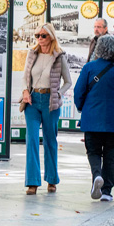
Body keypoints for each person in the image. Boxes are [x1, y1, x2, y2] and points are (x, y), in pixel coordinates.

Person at [74, 35, 114, 202]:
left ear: (99, 49)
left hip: (92, 119)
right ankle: (106, 191)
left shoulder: (89, 68)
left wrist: (83, 108)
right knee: (111, 156)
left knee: (93, 151)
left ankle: (96, 175)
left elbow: (78, 92)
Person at [20, 23, 72, 195]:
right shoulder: (32, 54)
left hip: (51, 102)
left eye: (43, 35)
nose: (40, 39)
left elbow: (68, 82)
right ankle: (32, 182)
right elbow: (25, 77)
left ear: (51, 36)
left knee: (50, 141)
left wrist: (59, 94)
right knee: (32, 140)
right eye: (37, 35)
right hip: (33, 101)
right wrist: (26, 91)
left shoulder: (59, 56)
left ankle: (51, 180)